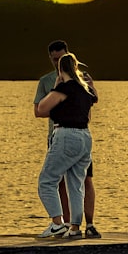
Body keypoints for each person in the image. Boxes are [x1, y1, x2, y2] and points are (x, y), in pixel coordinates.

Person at [34, 40, 100, 237]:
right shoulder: (84, 88)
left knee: (46, 181)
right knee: (76, 183)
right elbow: (93, 99)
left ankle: (57, 222)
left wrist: (55, 87)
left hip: (65, 135)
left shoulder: (64, 88)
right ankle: (75, 227)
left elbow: (41, 109)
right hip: (84, 137)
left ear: (61, 68)